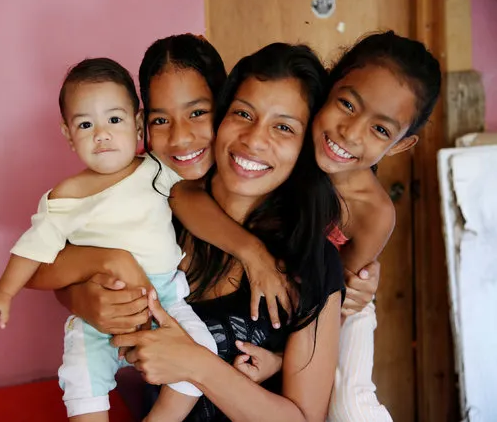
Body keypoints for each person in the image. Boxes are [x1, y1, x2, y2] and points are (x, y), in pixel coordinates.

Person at [32, 40, 345, 421]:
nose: (255, 139)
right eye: (244, 115)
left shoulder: (310, 259)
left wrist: (196, 365)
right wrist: (81, 297)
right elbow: (51, 266)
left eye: (283, 127)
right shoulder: (154, 216)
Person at [170, 31, 442, 422]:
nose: (349, 132)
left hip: (340, 311)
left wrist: (282, 361)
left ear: (400, 144)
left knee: (352, 407)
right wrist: (253, 253)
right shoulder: (295, 149)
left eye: (380, 130)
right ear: (327, 95)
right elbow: (184, 194)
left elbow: (340, 297)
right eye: (347, 105)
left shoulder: (372, 211)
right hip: (292, 289)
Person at [0, 57, 217, 421]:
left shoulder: (156, 169)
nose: (101, 134)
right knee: (82, 386)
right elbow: (34, 247)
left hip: (164, 298)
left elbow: (197, 198)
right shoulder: (67, 196)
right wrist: (3, 293)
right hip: (97, 315)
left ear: (137, 124)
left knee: (203, 354)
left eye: (114, 120)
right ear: (69, 135)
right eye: (85, 124)